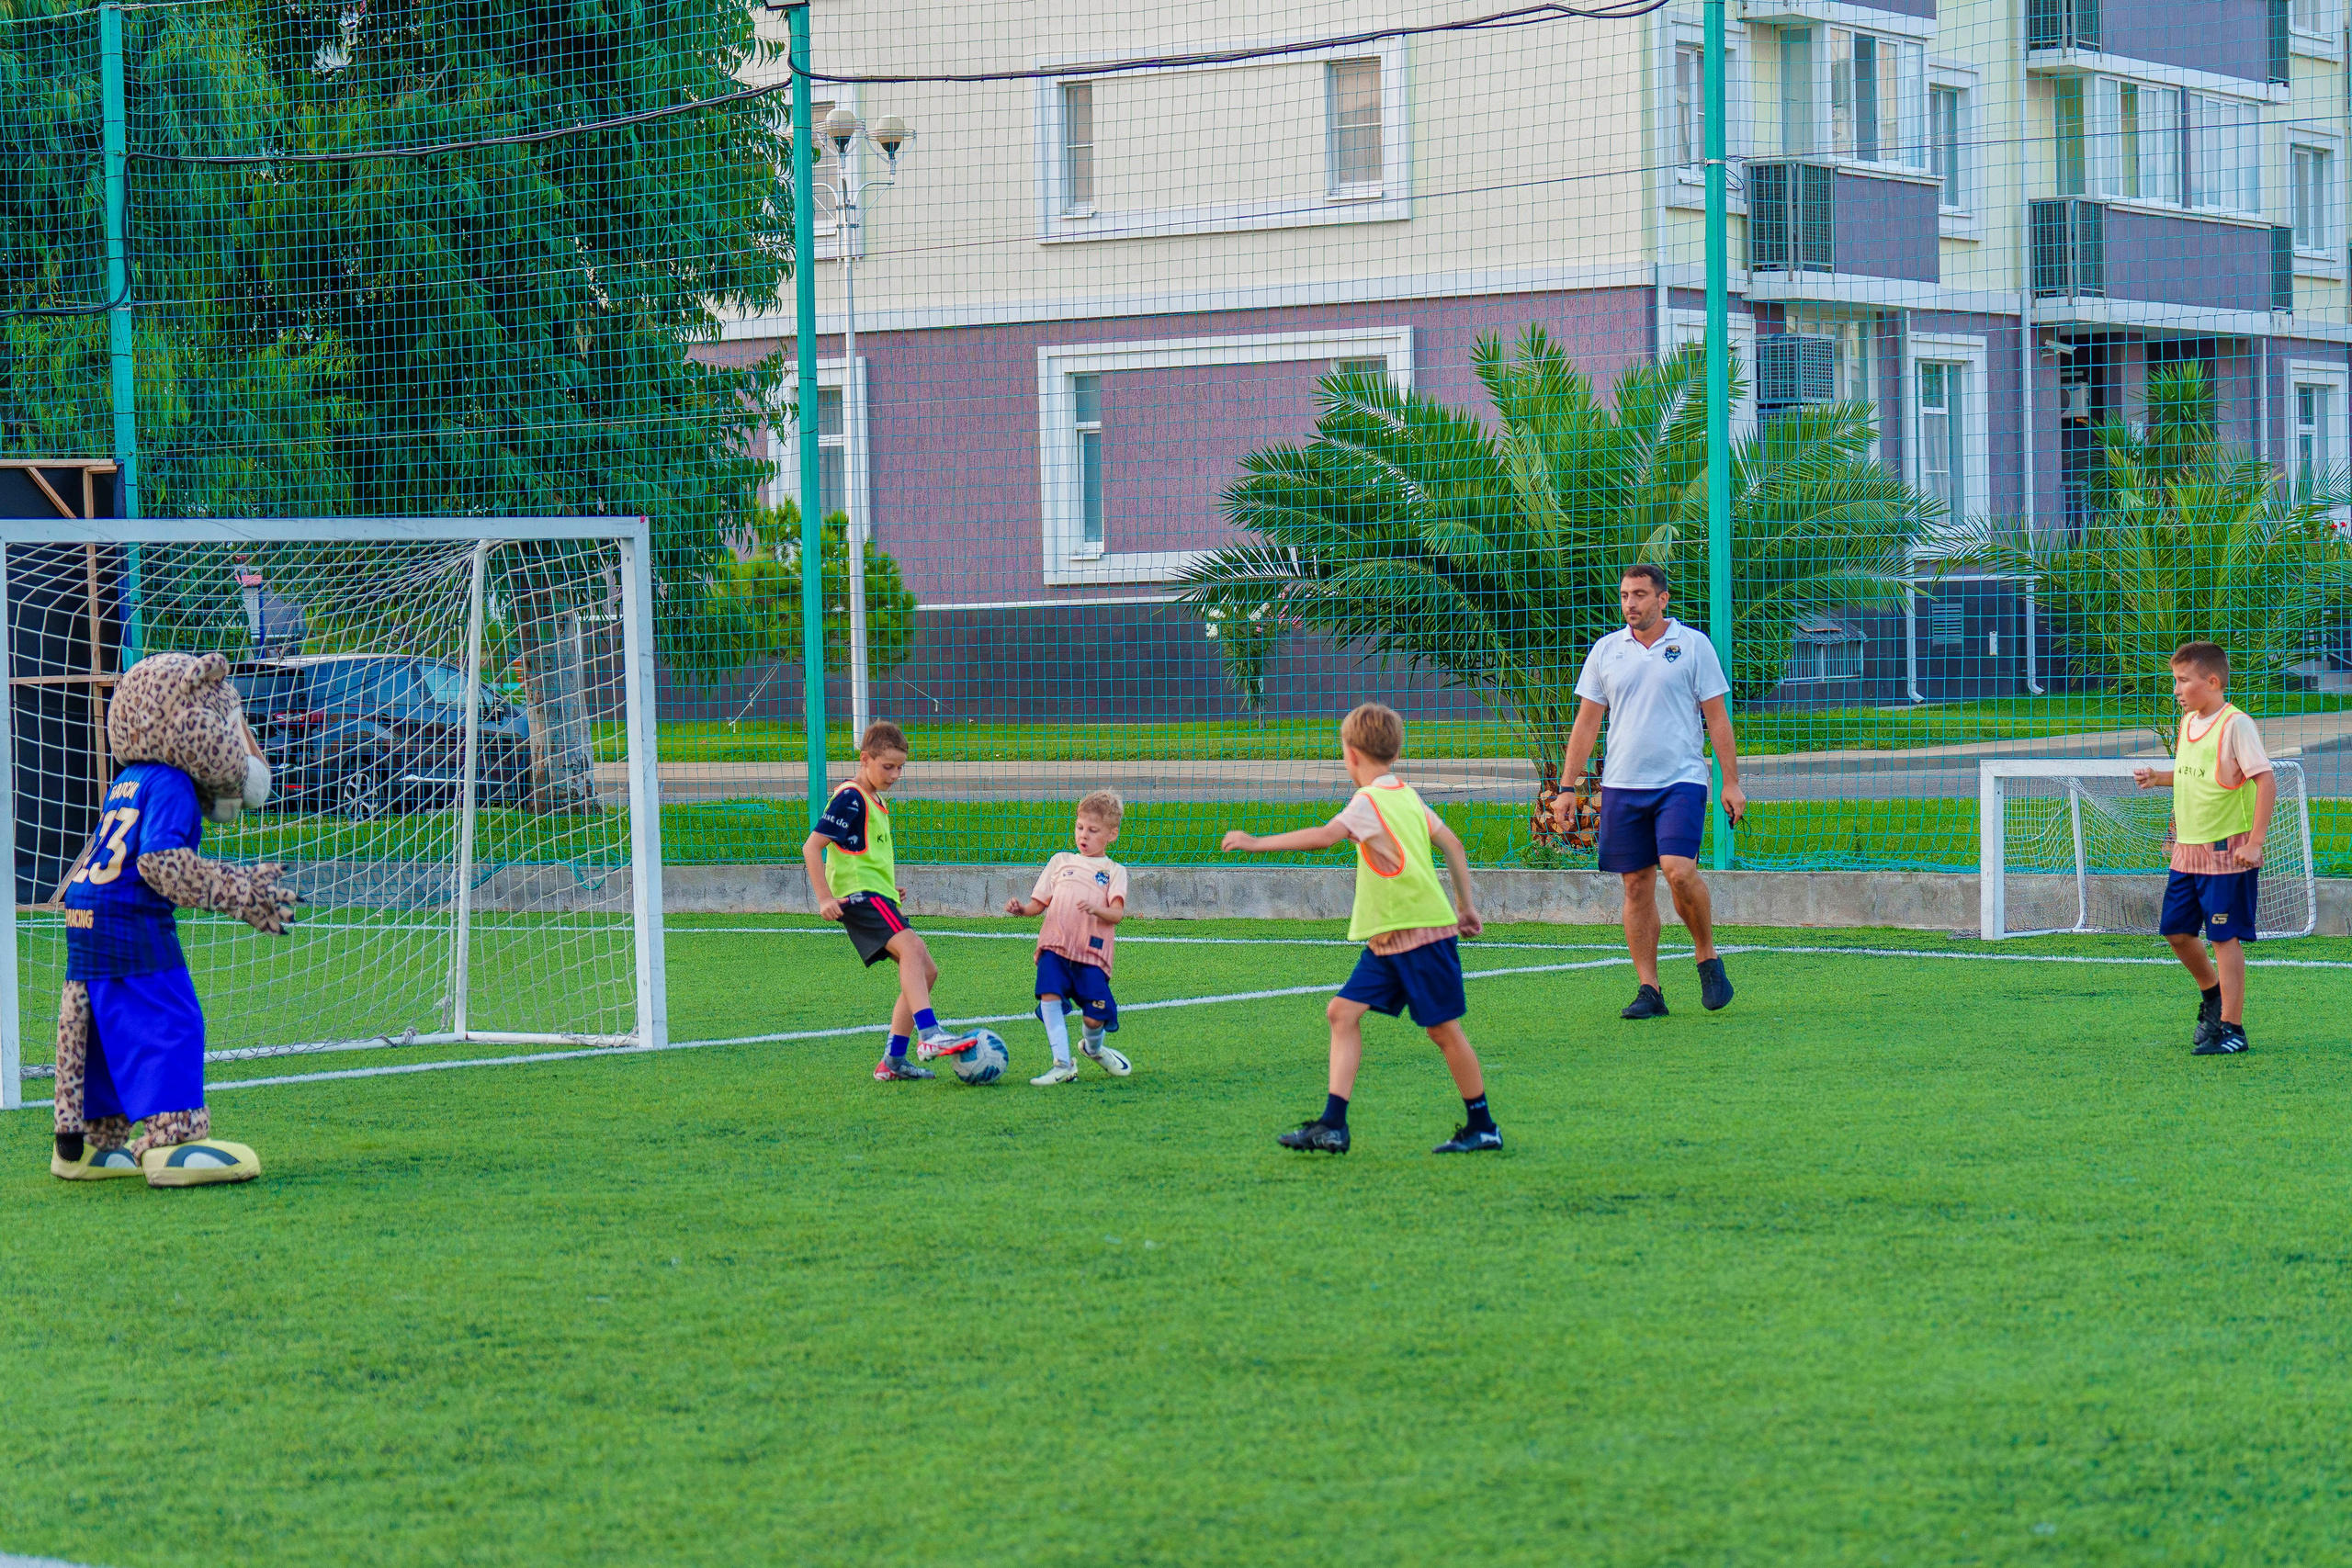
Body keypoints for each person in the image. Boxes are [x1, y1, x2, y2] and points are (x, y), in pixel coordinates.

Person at [1221, 703, 1499, 1156]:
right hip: (1389, 940)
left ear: (1350, 754)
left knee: (1443, 1031)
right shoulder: (1406, 795)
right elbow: (1452, 843)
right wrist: (1466, 908)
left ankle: (1483, 1126)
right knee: (1342, 1013)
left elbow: (1324, 836)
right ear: (1395, 751)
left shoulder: (1368, 801)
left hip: (1420, 935)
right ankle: (1333, 1125)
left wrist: (1255, 843)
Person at [1554, 563, 1747, 1020]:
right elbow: (1587, 722)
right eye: (1624, 595)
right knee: (1636, 885)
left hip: (1680, 780)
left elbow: (1717, 718)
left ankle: (1706, 956)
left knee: (1678, 871)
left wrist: (1731, 781)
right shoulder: (1606, 650)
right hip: (1622, 785)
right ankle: (1649, 989)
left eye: (1639, 594)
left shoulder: (1693, 645)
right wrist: (1566, 787)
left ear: (1662, 599)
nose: (1630, 603)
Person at [801, 720, 974, 1080]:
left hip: (877, 896)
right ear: (865, 759)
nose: (895, 775)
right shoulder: (851, 797)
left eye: (900, 768)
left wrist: (891, 890)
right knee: (912, 949)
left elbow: (862, 855)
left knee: (927, 970)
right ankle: (930, 1034)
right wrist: (824, 898)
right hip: (859, 897)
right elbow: (812, 847)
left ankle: (893, 1061)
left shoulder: (875, 801)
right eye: (888, 767)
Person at [2134, 641, 2277, 1056]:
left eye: (2183, 681)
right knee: (2176, 932)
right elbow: (2193, 774)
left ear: (2212, 682)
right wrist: (2159, 778)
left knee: (2222, 937)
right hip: (2188, 852)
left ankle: (2232, 1028)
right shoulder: (2187, 723)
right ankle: (2213, 997)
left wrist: (2255, 842)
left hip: (2226, 852)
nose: (2176, 689)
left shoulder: (2236, 724)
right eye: (2175, 681)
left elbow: (2265, 781)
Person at [1004, 789, 1136, 1085]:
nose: (1083, 835)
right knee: (1049, 993)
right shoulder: (1061, 862)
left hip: (1092, 954)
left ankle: (1093, 1048)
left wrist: (1097, 909)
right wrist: (1022, 910)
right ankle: (1063, 1064)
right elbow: (1038, 904)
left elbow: (1116, 914)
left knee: (1094, 1017)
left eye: (1093, 830)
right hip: (1055, 945)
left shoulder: (1114, 871)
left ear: (1112, 835)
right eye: (1079, 827)